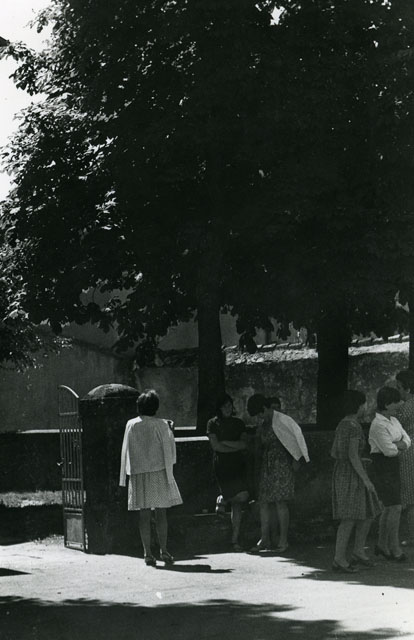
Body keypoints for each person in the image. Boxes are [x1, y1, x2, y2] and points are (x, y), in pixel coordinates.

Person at [119, 389, 182, 567]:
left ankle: (147, 552)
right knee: (161, 513)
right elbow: (169, 450)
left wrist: (126, 474)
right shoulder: (161, 425)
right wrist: (170, 430)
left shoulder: (131, 424)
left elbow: (125, 450)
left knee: (144, 514)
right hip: (157, 472)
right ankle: (164, 550)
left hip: (138, 473)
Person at [247, 394, 309, 554]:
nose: (260, 417)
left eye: (260, 414)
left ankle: (283, 540)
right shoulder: (264, 425)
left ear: (264, 408)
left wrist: (297, 459)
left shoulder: (283, 420)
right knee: (264, 502)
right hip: (267, 466)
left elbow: (296, 438)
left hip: (282, 465)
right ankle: (264, 538)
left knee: (281, 502)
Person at [331, 390, 382, 573]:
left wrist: (356, 460)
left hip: (344, 472)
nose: (365, 407)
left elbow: (334, 452)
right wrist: (366, 479)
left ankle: (358, 551)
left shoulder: (342, 424)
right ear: (357, 406)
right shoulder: (353, 426)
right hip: (352, 475)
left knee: (367, 513)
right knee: (349, 517)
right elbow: (352, 455)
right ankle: (339, 559)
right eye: (363, 404)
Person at [369, 386, 411, 562]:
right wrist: (399, 444)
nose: (400, 404)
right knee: (394, 507)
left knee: (390, 507)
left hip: (393, 466)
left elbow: (407, 440)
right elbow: (389, 451)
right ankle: (394, 547)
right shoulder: (378, 424)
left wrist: (399, 444)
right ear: (387, 404)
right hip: (382, 467)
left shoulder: (393, 420)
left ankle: (382, 544)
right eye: (396, 402)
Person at [207, 394, 249, 551]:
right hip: (222, 466)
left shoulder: (239, 423)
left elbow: (244, 444)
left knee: (241, 499)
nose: (228, 409)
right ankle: (223, 498)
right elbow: (216, 446)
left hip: (238, 465)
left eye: (230, 406)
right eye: (225, 406)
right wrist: (234, 446)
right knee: (238, 497)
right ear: (219, 407)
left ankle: (234, 539)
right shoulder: (212, 423)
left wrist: (225, 442)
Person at [395, 369, 414, 546]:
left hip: (408, 452)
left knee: (409, 498)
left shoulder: (404, 408)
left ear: (407, 389)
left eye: (399, 388)